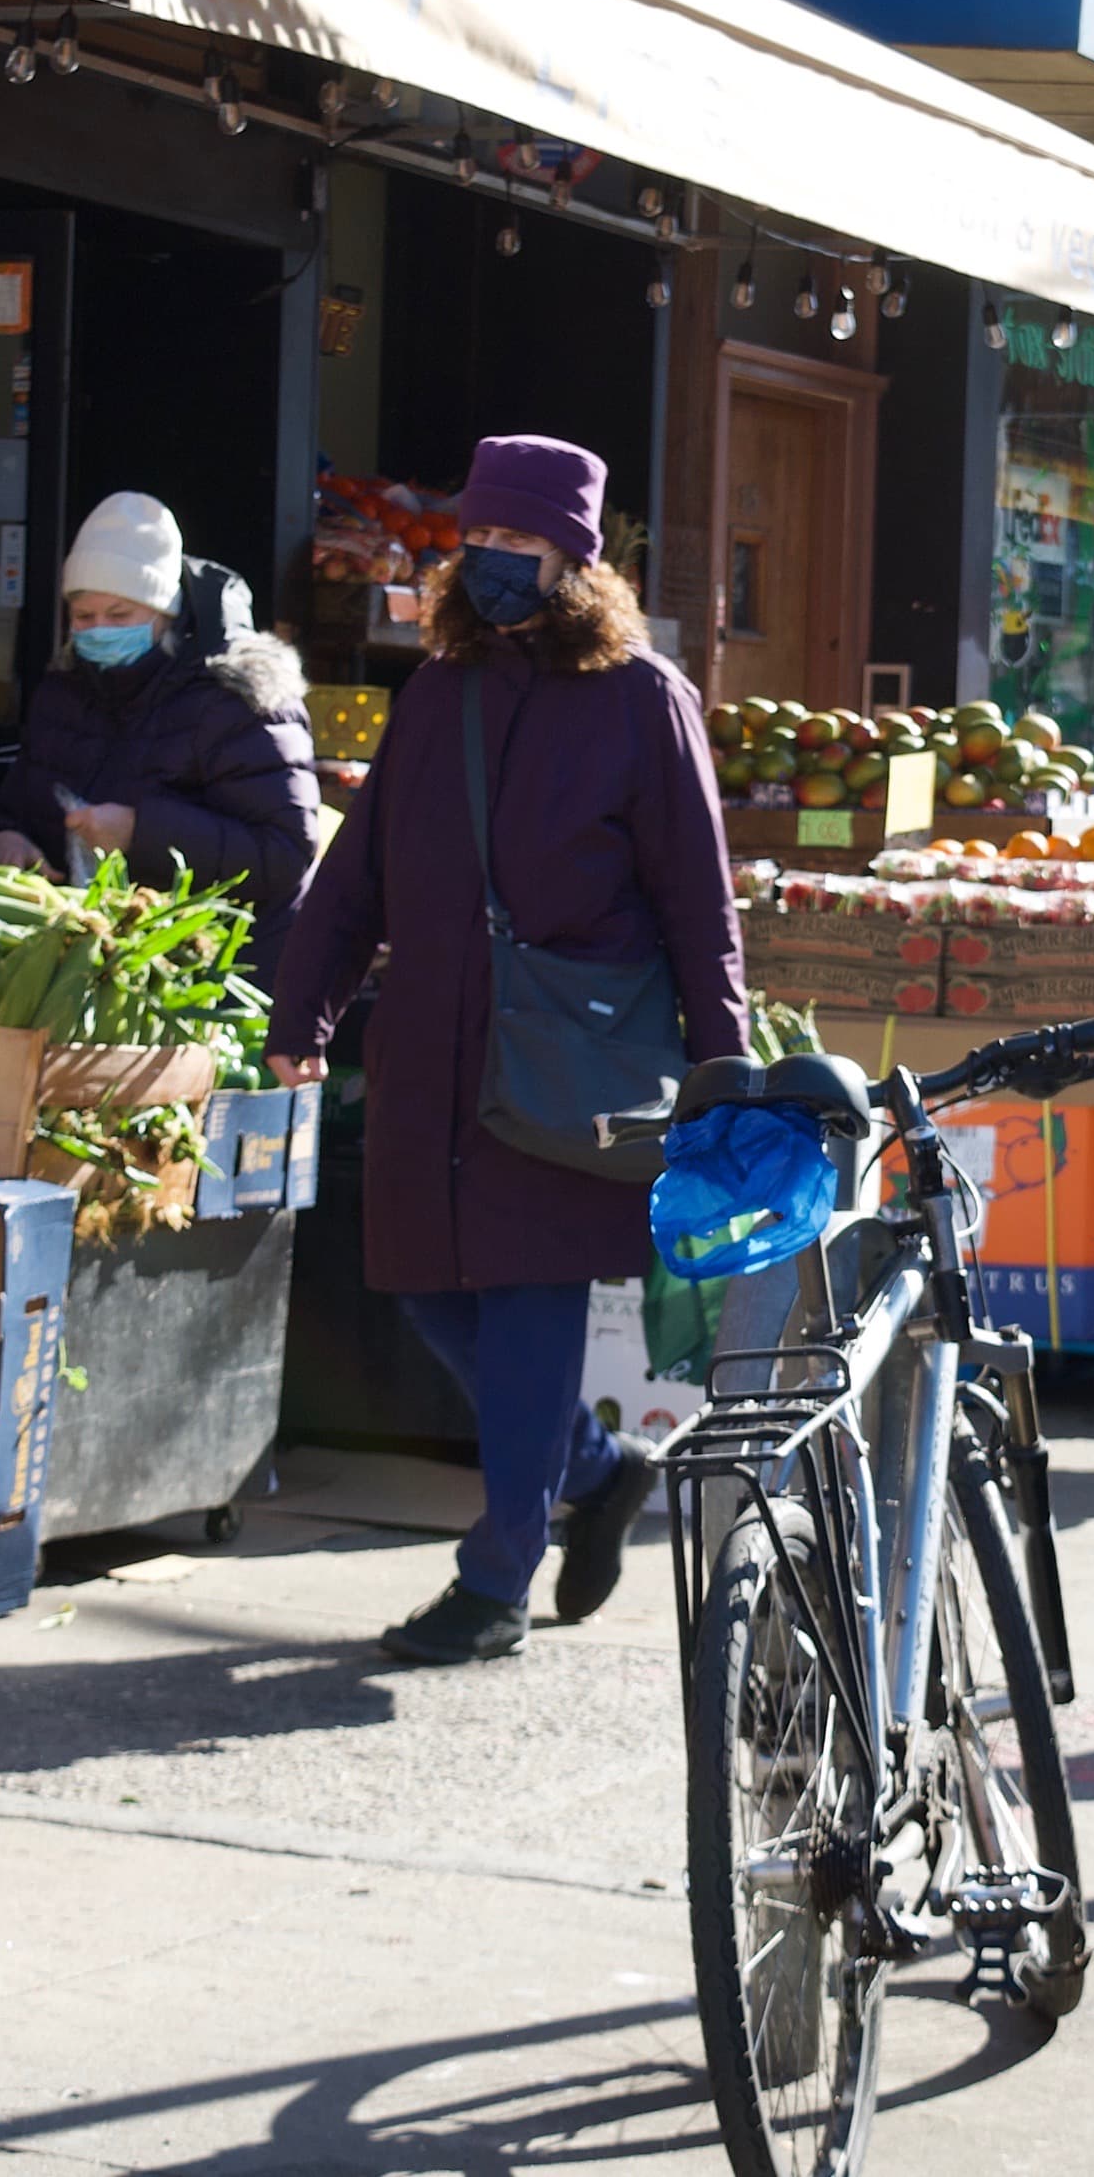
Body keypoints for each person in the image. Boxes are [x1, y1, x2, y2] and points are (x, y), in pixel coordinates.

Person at [265, 435, 748, 1663]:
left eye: (518, 548)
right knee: (424, 1287)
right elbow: (355, 871)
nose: (489, 566)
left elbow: (700, 903)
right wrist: (300, 1014)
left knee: (531, 1305)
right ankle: (595, 1467)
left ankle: (494, 1582)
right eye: (475, 543)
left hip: (564, 1059)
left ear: (575, 562)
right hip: (431, 1042)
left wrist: (721, 1066)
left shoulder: (647, 701)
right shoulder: (439, 689)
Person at [0, 491, 320, 986]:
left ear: (168, 614)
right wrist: (1, 841)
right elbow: (17, 809)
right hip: (96, 972)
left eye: (119, 616)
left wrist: (142, 833)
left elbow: (283, 851)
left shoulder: (241, 697)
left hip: (221, 978)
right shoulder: (64, 692)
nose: (99, 631)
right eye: (83, 616)